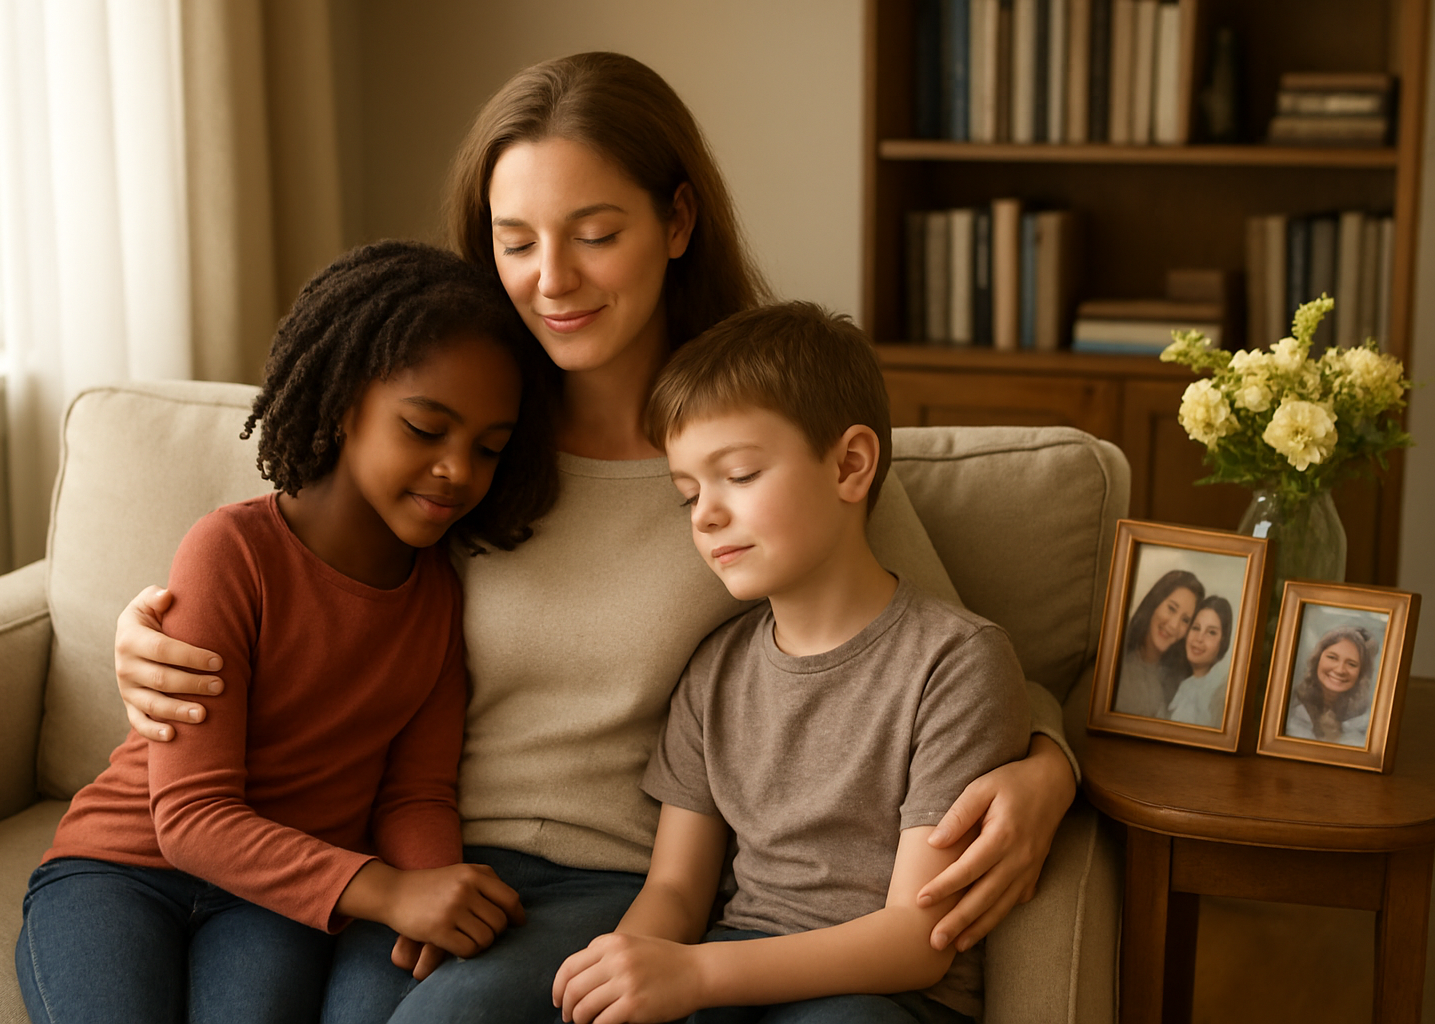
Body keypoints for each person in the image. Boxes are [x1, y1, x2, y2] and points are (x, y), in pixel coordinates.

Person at [106, 52, 1079, 1021]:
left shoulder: (757, 439)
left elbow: (926, 639)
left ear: (677, 222)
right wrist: (152, 631)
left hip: (625, 880)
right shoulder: (462, 430)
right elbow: (285, 559)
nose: (551, 280)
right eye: (515, 241)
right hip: (421, 859)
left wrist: (1047, 763)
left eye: (596, 234)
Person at [15, 242, 552, 1024]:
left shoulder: (440, 596)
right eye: (425, 429)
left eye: (488, 449)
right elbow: (191, 821)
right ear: (343, 404)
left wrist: (438, 890)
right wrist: (391, 891)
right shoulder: (232, 553)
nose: (458, 471)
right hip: (118, 870)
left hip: (272, 905)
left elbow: (415, 790)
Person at [552, 303, 1029, 1024]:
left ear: (850, 465)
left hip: (881, 996)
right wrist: (626, 968)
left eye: (738, 475)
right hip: (734, 966)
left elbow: (917, 939)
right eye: (689, 492)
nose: (705, 515)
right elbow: (678, 891)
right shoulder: (713, 672)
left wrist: (697, 973)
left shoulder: (954, 663)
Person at [1112, 570, 1204, 719]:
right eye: (1171, 609)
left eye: (1185, 620)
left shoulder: (1182, 682)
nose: (1174, 625)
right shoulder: (1116, 663)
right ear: (1154, 603)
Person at [1284, 626, 1377, 747]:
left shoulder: (1365, 719)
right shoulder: (1291, 706)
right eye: (1332, 657)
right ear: (1317, 659)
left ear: (1361, 673)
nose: (1340, 670)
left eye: (1352, 664)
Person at [1165, 596, 1234, 728]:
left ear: (1223, 641)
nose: (1199, 639)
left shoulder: (1221, 692)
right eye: (1196, 628)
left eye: (1211, 632)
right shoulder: (1183, 685)